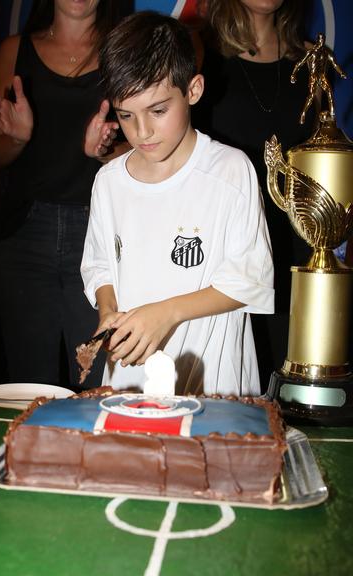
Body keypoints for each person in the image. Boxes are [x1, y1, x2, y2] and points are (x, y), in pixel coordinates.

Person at [80, 11, 274, 396]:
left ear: (193, 90)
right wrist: (108, 310)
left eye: (157, 110)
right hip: (130, 385)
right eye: (126, 115)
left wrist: (165, 314)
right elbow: (100, 266)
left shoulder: (230, 171)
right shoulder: (109, 183)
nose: (142, 131)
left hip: (213, 386)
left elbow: (250, 279)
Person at [0, 0, 132, 388]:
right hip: (25, 238)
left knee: (100, 385)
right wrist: (17, 140)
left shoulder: (125, 48)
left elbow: (147, 152)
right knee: (29, 387)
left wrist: (104, 153)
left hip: (101, 237)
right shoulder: (14, 51)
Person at [193, 0, 317, 391]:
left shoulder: (311, 60)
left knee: (290, 394)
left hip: (295, 256)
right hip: (222, 259)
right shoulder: (201, 53)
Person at [291, 32, 347, 124]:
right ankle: (303, 113)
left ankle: (332, 117)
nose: (321, 41)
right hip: (313, 76)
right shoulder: (311, 52)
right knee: (311, 96)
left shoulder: (326, 53)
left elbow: (334, 64)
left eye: (323, 39)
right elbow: (300, 63)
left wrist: (341, 73)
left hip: (322, 76)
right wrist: (294, 74)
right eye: (320, 39)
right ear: (317, 40)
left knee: (329, 93)